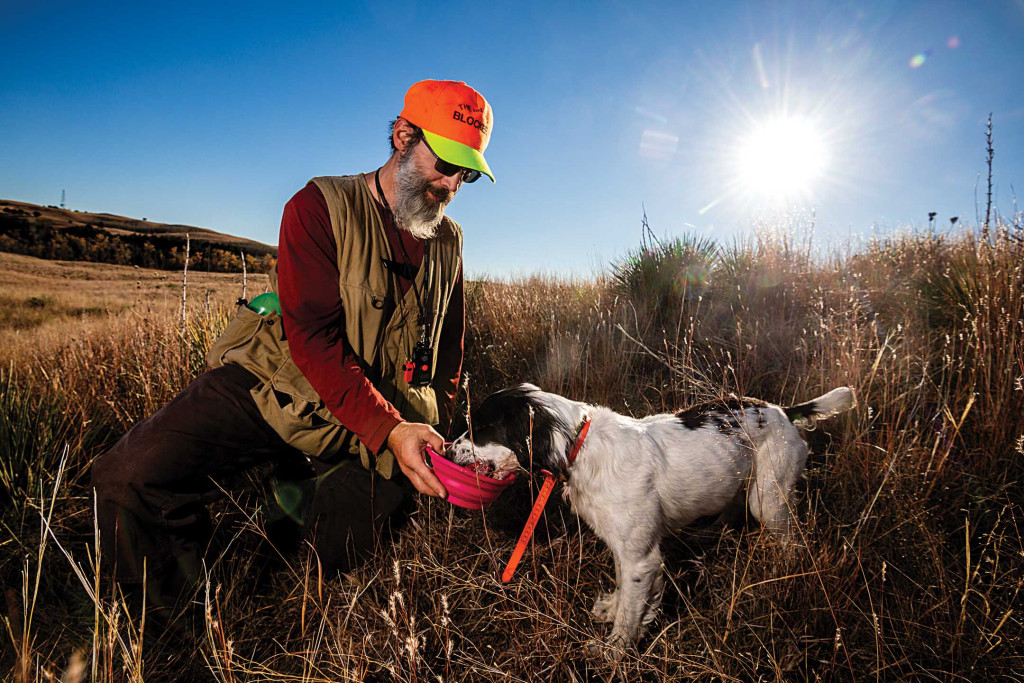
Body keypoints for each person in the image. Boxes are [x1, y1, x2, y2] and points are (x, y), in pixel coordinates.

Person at [90, 79, 495, 619]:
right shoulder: (316, 206)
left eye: (466, 173)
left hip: (386, 415)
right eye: (444, 163)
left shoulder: (451, 241)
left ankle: (275, 569)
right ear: (402, 136)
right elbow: (312, 340)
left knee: (325, 564)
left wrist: (436, 430)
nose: (449, 185)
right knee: (127, 475)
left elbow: (448, 350)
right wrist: (389, 431)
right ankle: (171, 633)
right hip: (284, 385)